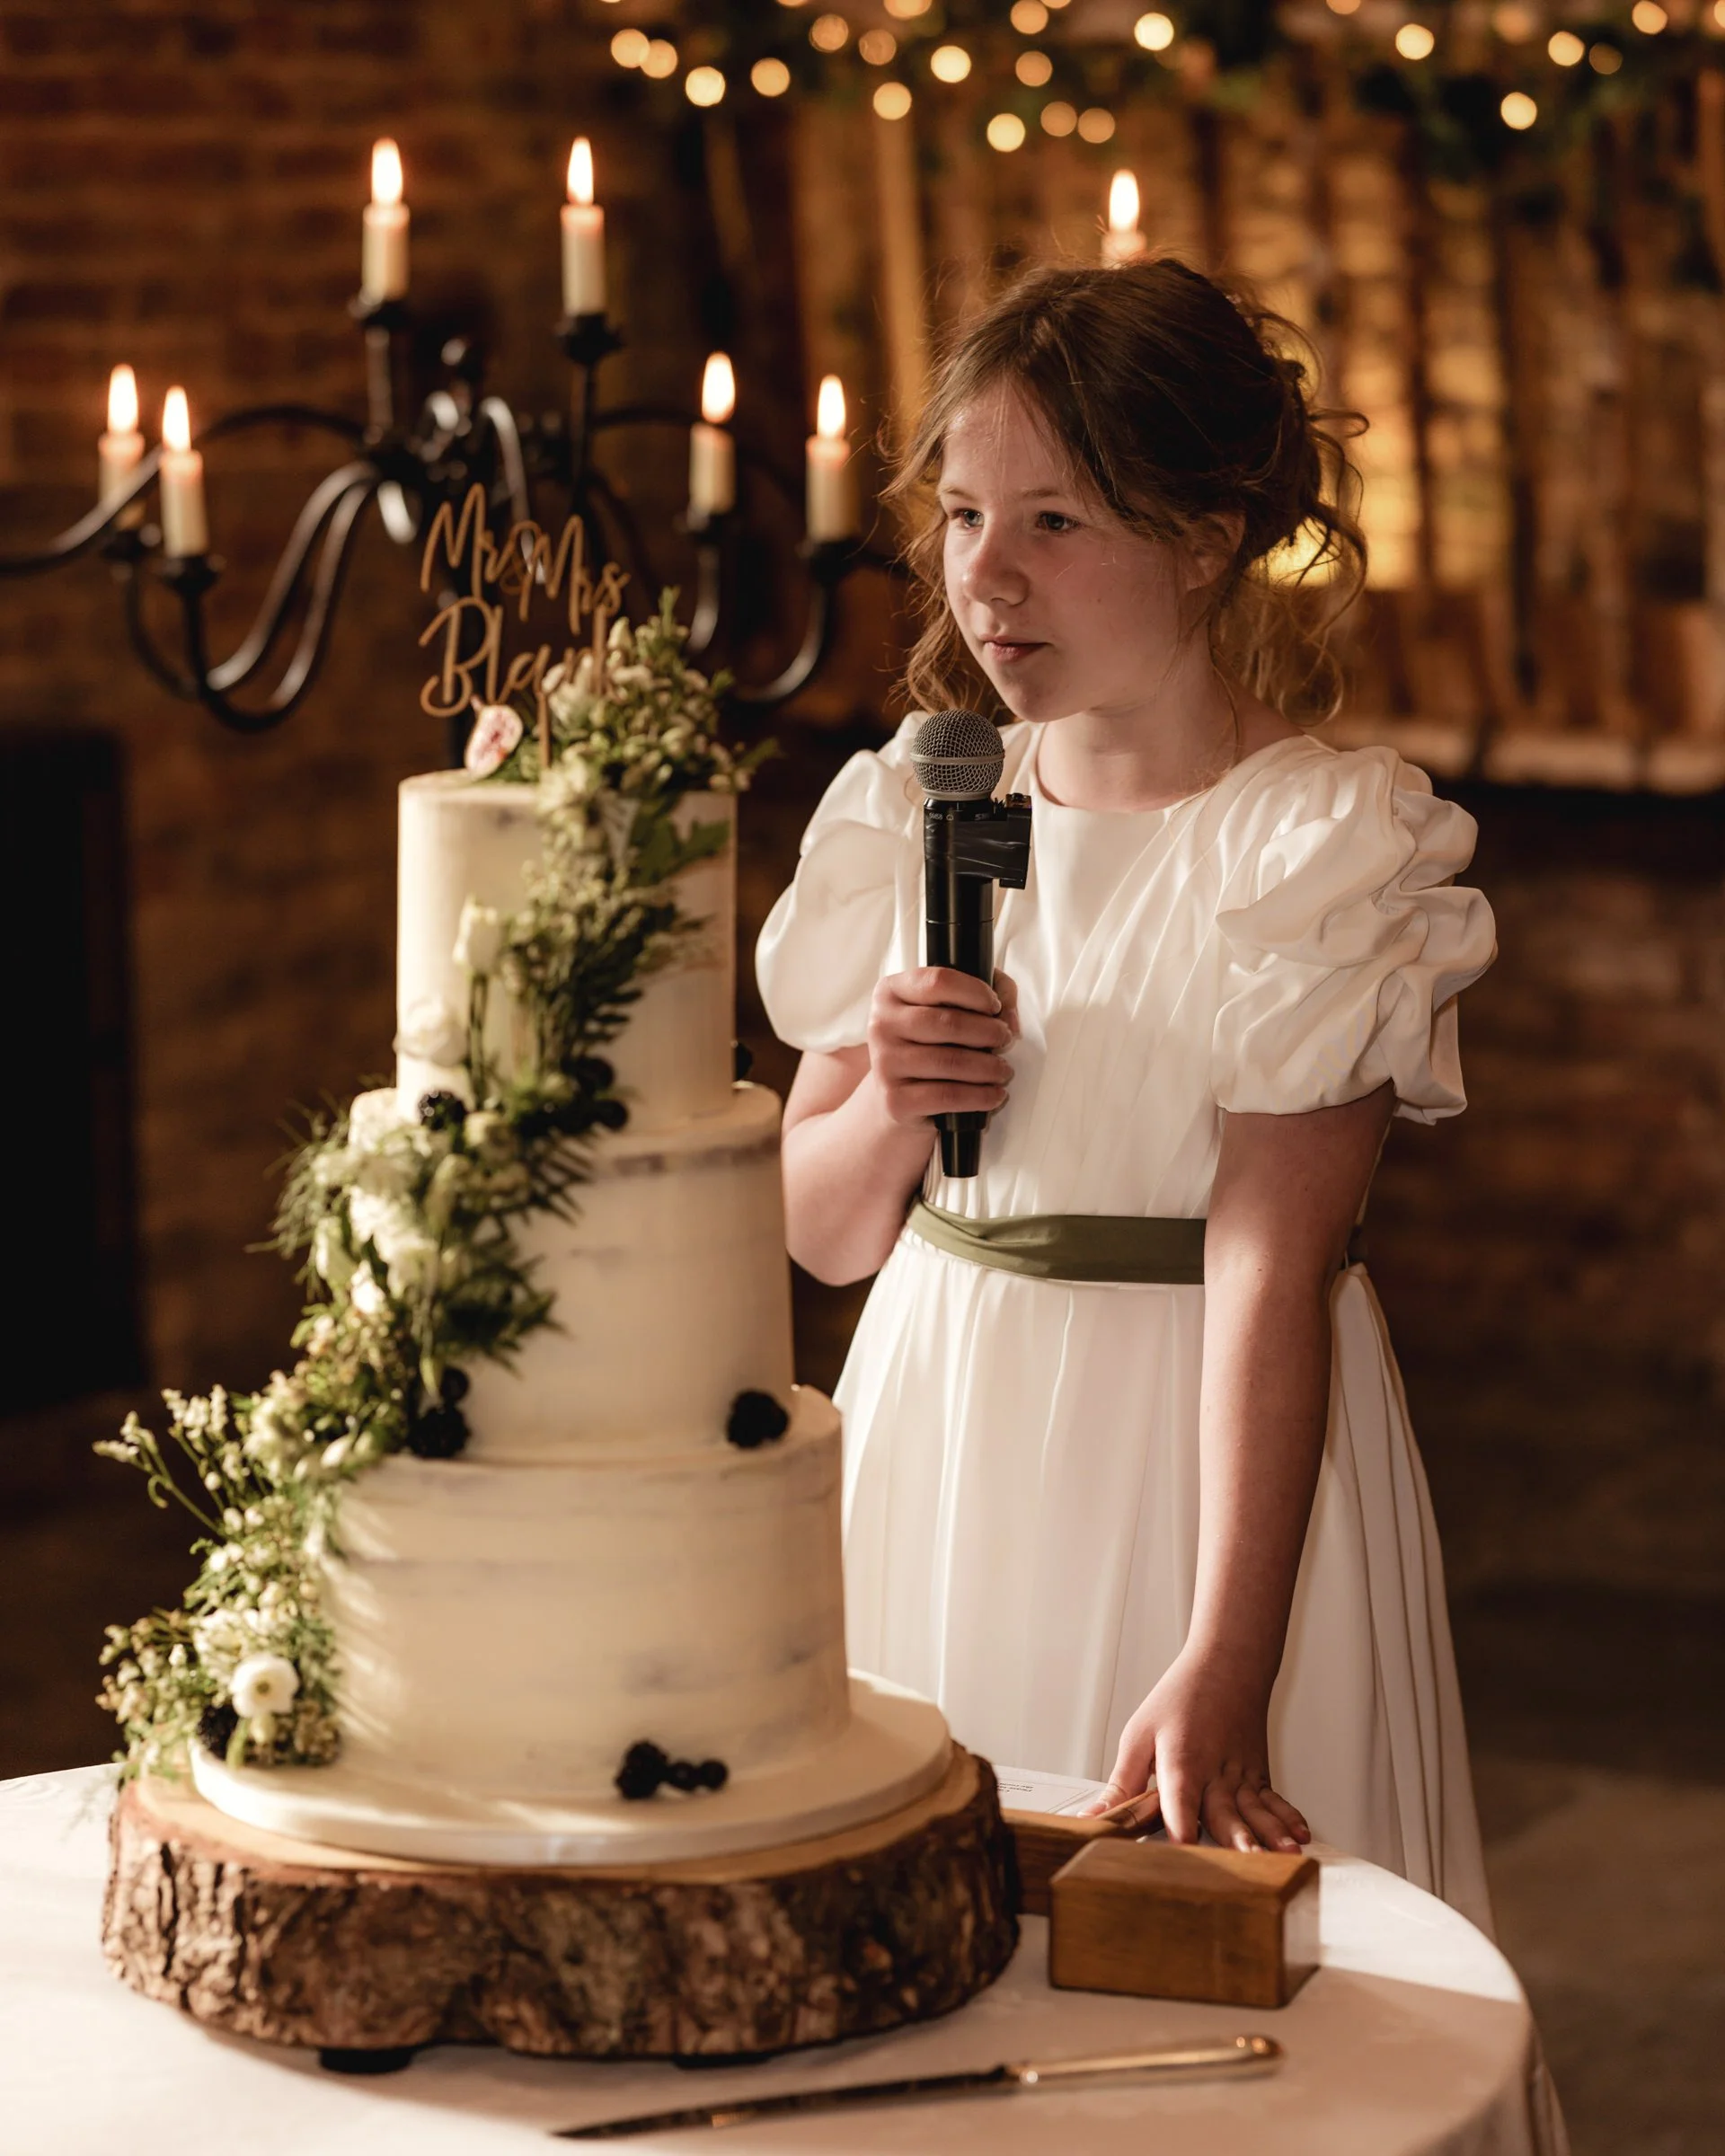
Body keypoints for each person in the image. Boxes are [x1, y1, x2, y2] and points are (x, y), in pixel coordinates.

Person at [755, 258, 1498, 1931]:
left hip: (1203, 1473)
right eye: (960, 516)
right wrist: (888, 1105)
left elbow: (1266, 1264)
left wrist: (1229, 1654)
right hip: (939, 1430)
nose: (988, 579)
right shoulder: (919, 812)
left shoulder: (1314, 855)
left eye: (1058, 523)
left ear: (1206, 533)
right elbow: (817, 1237)